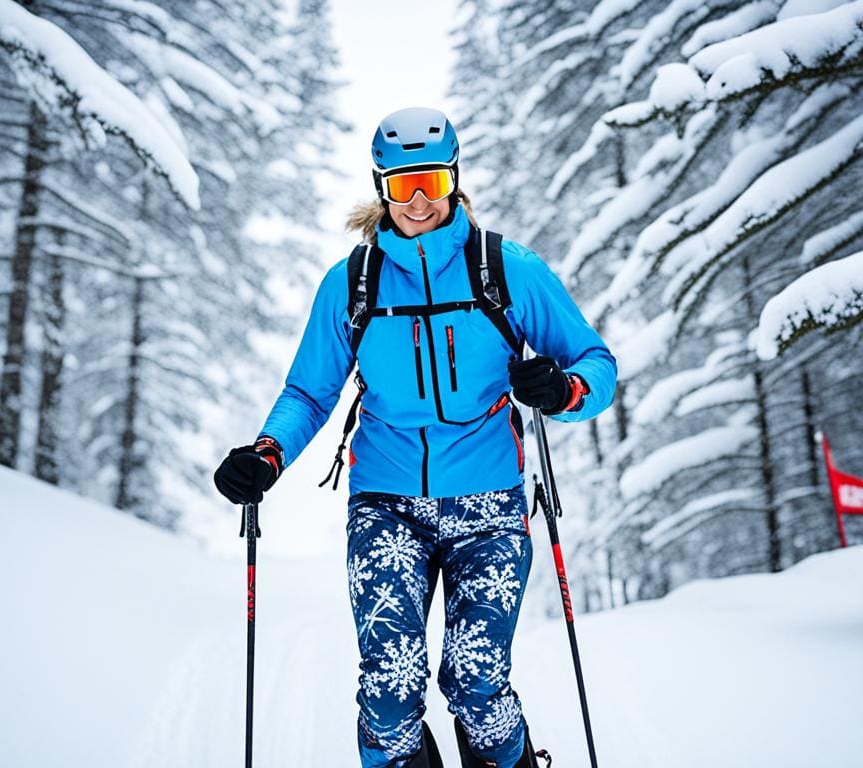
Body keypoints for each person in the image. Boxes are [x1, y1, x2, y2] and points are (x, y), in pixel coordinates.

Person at [214, 107, 617, 768]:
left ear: (454, 180)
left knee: (479, 682)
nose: (420, 201)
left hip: (489, 506)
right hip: (386, 505)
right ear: (382, 189)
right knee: (389, 690)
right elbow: (309, 392)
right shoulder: (354, 283)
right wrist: (268, 453)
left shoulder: (505, 269)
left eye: (431, 181)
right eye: (404, 187)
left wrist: (561, 388)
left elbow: (595, 363)